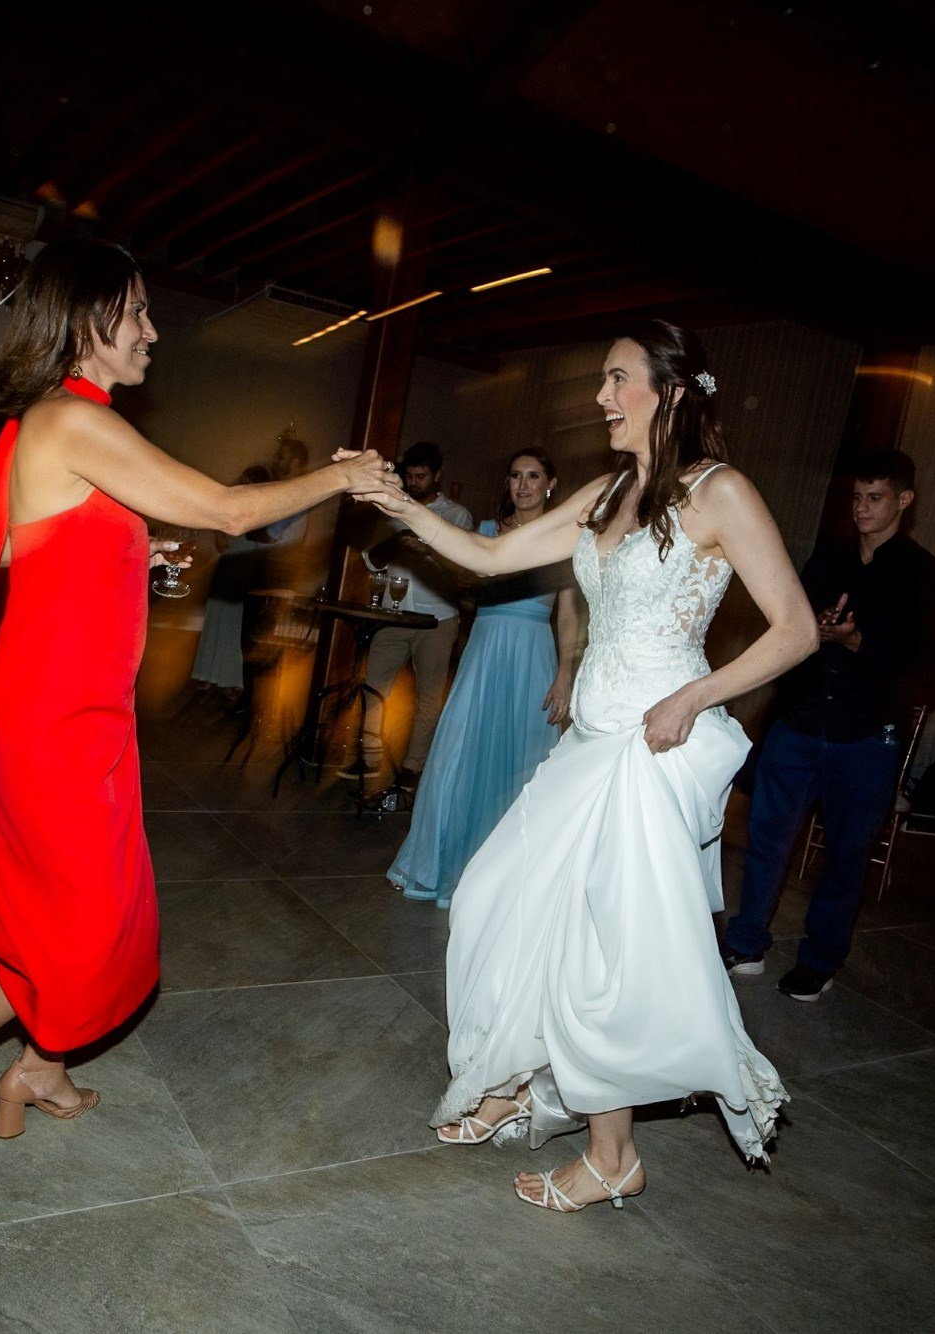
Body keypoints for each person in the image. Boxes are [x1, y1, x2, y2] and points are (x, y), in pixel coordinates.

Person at [0, 238, 397, 1182]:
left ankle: (39, 1067)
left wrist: (128, 555)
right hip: (51, 719)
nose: (154, 329)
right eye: (139, 312)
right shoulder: (73, 421)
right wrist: (342, 477)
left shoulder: (69, 426)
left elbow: (28, 551)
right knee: (67, 924)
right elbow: (226, 511)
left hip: (86, 711)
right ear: (89, 324)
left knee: (111, 908)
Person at [361, 321, 818, 1212]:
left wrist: (694, 698)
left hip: (656, 745)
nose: (601, 397)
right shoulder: (610, 491)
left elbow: (796, 628)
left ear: (672, 392)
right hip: (591, 741)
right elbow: (493, 555)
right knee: (499, 891)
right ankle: (514, 1075)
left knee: (605, 947)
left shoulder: (721, 492)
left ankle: (614, 1154)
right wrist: (400, 507)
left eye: (617, 380)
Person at [721, 450, 935, 1000]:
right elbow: (787, 624)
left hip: (867, 733)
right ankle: (747, 941)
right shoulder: (827, 562)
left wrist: (859, 642)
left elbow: (926, 674)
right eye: (856, 497)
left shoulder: (925, 577)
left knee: (846, 856)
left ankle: (821, 959)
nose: (862, 508)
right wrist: (816, 630)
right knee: (766, 840)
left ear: (904, 500)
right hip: (801, 719)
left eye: (875, 498)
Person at [387, 449, 581, 908]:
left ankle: (509, 881)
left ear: (551, 483)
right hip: (486, 650)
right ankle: (435, 865)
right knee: (460, 755)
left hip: (534, 654)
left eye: (534, 475)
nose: (524, 484)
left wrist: (565, 674)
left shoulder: (566, 537)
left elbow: (570, 614)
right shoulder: (488, 534)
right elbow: (464, 582)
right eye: (515, 475)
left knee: (523, 764)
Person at [355, 440, 475, 794]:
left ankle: (412, 767)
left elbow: (464, 567)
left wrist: (429, 548)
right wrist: (395, 541)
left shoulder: (457, 515)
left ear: (437, 476)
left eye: (421, 476)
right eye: (410, 476)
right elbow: (371, 561)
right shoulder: (391, 509)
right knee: (374, 685)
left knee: (428, 698)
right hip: (394, 614)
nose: (415, 482)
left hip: (438, 618)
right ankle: (369, 755)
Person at [188, 463, 274, 700]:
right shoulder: (232, 509)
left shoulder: (263, 514)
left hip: (243, 572)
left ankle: (229, 680)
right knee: (214, 621)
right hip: (227, 567)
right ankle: (206, 674)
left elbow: (268, 543)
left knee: (232, 627)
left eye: (249, 483)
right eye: (243, 482)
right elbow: (222, 543)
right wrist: (220, 530)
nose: (244, 487)